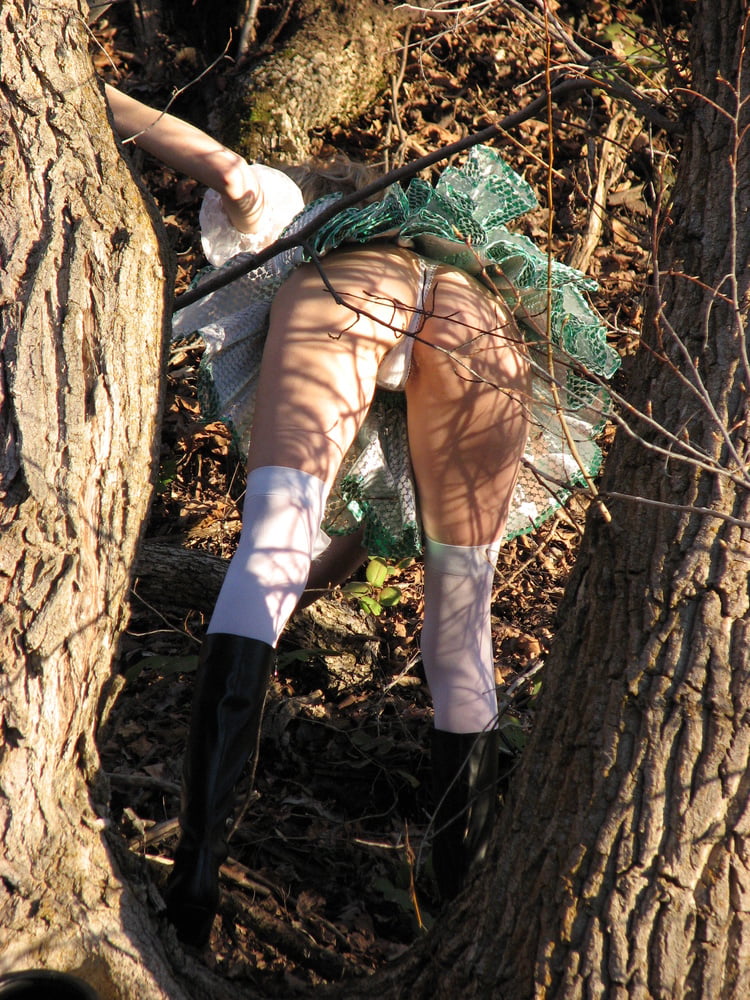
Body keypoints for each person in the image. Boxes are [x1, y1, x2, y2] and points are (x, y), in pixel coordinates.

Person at [107, 85, 620, 948]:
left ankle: (193, 885)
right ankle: (460, 909)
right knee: (463, 615)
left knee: (268, 539)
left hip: (348, 293)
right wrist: (305, 589)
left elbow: (226, 171)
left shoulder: (304, 211)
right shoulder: (464, 250)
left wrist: (100, 94)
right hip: (476, 323)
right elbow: (356, 539)